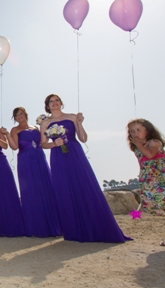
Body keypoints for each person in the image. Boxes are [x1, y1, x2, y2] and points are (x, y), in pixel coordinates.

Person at [40, 94, 131, 243]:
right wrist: (54, 144)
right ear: (47, 105)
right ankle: (74, 230)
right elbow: (43, 144)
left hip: (75, 153)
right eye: (51, 101)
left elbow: (83, 138)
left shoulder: (72, 117)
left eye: (57, 100)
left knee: (85, 185)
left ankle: (99, 228)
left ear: (61, 103)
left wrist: (80, 123)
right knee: (65, 189)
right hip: (57, 157)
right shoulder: (45, 123)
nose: (54, 103)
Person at [3, 107, 62, 237]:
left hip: (39, 158)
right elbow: (14, 147)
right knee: (31, 191)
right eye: (16, 115)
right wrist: (7, 135)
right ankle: (36, 226)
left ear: (25, 114)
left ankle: (52, 225)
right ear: (15, 118)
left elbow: (43, 142)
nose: (19, 116)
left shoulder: (36, 127)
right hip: (25, 160)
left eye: (21, 114)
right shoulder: (15, 130)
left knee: (44, 187)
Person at [127, 119, 165, 218]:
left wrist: (138, 144)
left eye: (138, 130)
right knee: (146, 196)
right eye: (132, 131)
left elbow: (150, 154)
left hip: (159, 176)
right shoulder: (137, 148)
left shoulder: (154, 142)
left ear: (148, 131)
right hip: (147, 177)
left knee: (161, 196)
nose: (135, 133)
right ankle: (139, 214)